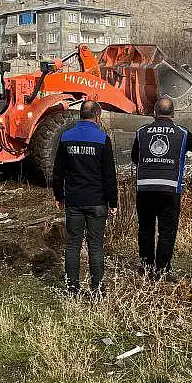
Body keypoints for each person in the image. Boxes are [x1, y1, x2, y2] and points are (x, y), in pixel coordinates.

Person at [131, 97, 192, 279]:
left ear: (154, 113)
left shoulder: (141, 132)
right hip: (169, 190)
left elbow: (134, 158)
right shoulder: (182, 133)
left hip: (145, 190)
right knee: (167, 232)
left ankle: (146, 267)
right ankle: (162, 271)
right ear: (173, 113)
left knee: (145, 230)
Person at [51, 101, 119, 295]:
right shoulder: (102, 138)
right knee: (95, 245)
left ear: (81, 114)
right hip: (97, 201)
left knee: (73, 244)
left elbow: (58, 172)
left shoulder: (66, 137)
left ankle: (72, 288)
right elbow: (109, 175)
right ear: (97, 116)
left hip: (74, 201)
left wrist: (59, 195)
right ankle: (97, 289)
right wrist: (113, 201)